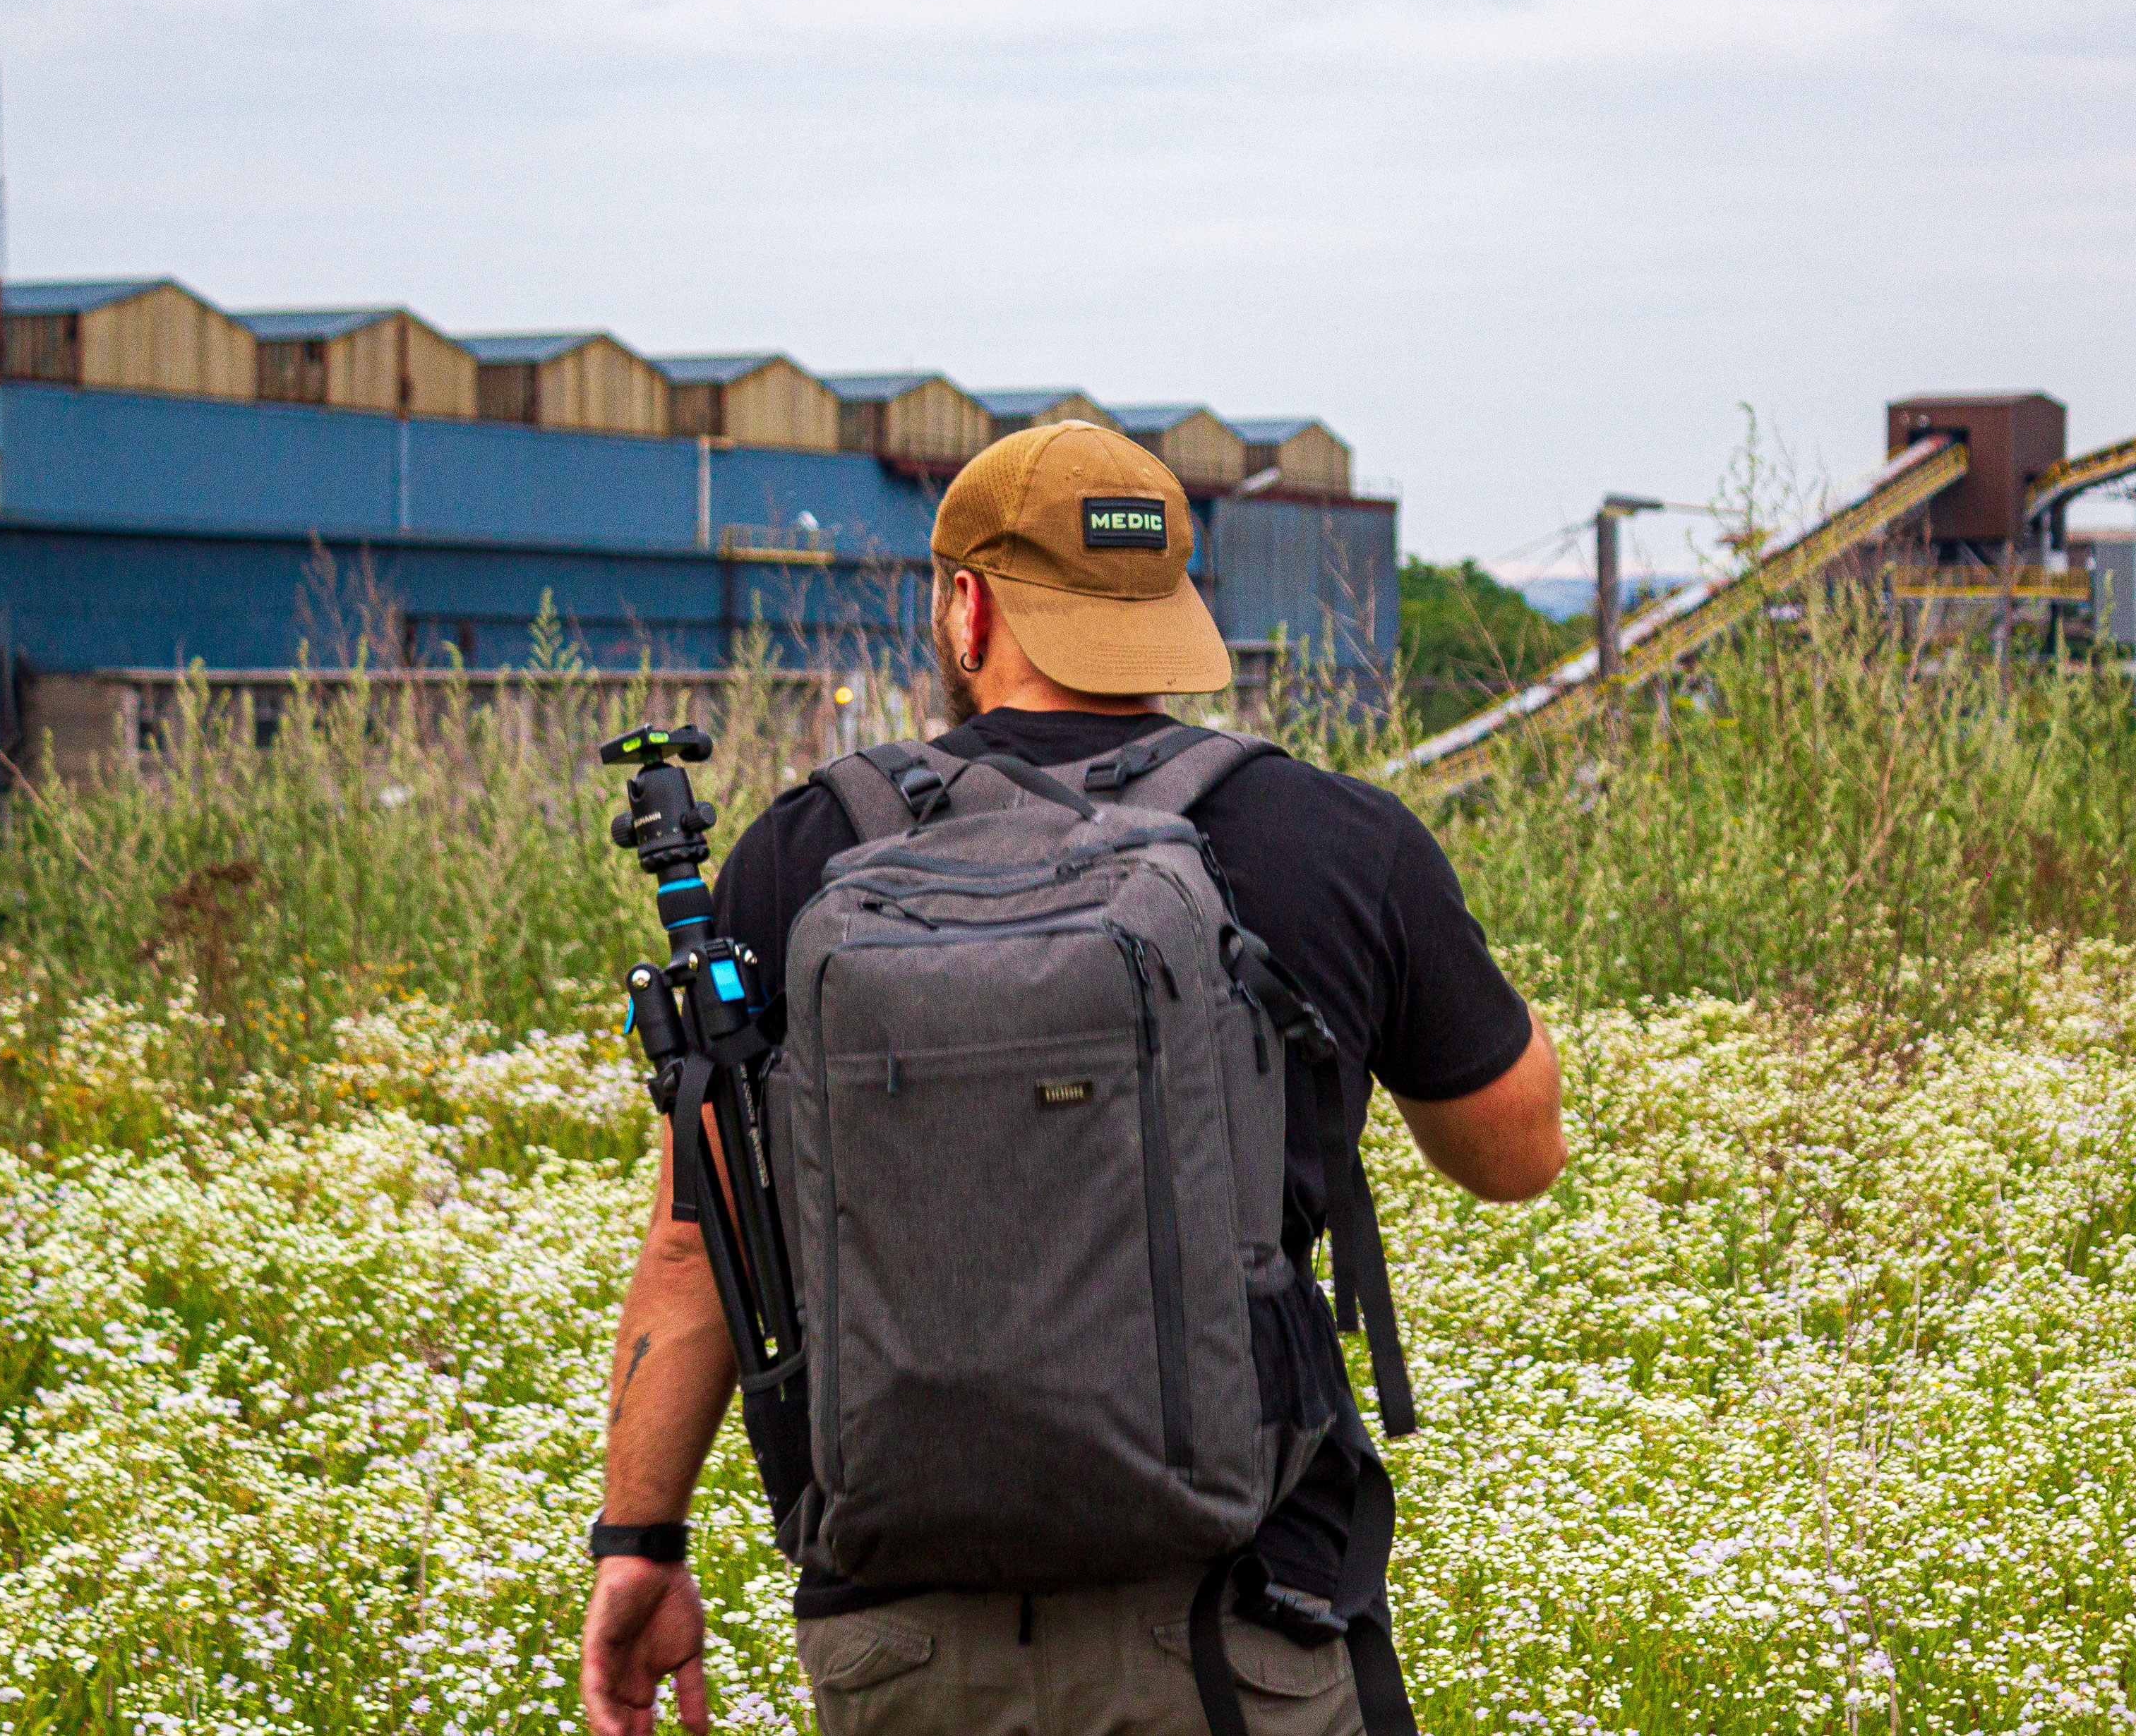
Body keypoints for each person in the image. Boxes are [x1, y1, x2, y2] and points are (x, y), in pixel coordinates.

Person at [582, 421, 1566, 1736]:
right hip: (1247, 1634)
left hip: (908, 1644)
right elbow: (1517, 1155)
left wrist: (639, 1539)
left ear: (968, 606)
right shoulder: (1336, 840)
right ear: (1169, 613)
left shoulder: (794, 855)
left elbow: (699, 1244)